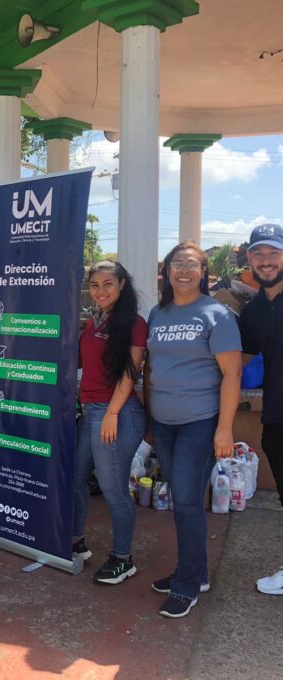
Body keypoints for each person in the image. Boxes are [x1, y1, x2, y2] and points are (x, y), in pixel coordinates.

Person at [144, 241, 242, 618]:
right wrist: (152, 419)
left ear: (203, 273)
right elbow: (151, 370)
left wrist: (225, 430)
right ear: (166, 273)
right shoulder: (158, 313)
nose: (183, 271)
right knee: (183, 501)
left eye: (191, 265)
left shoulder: (217, 315)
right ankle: (195, 572)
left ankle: (186, 586)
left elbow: (231, 375)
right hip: (165, 423)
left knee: (185, 500)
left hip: (200, 422)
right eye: (176, 265)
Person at [73, 261, 148, 584]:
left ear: (121, 285)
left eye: (108, 284)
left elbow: (130, 373)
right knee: (74, 479)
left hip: (117, 413)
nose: (101, 291)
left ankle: (122, 558)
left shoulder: (133, 322)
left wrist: (112, 413)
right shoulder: (93, 322)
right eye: (95, 285)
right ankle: (75, 543)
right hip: (90, 411)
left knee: (113, 489)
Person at [239, 223, 283, 595]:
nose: (266, 261)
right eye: (259, 254)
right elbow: (240, 360)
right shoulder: (253, 312)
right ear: (249, 259)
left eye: (273, 253)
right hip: (277, 415)